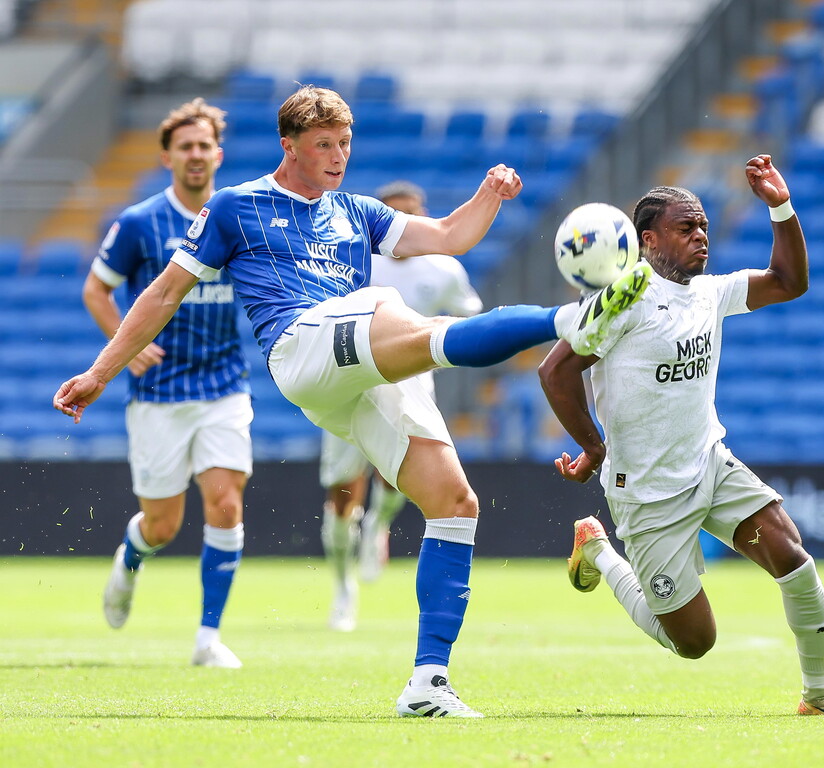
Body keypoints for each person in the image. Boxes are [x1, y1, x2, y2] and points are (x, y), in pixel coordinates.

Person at [54, 84, 652, 718]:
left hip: (355, 371)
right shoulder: (236, 207)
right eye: (323, 145)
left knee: (454, 502)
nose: (338, 156)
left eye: (344, 143)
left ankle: (427, 683)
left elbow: (449, 234)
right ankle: (571, 319)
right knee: (397, 313)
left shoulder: (356, 211)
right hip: (300, 346)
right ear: (289, 146)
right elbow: (163, 293)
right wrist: (101, 371)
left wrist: (490, 196)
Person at [538, 155, 824, 717]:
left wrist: (780, 207)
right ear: (647, 240)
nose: (701, 238)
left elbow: (790, 282)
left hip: (709, 464)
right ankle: (598, 547)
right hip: (647, 492)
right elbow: (555, 372)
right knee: (694, 643)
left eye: (704, 229)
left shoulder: (709, 292)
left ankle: (820, 696)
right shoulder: (622, 302)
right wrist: (594, 447)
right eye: (686, 228)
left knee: (793, 558)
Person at [81, 98, 251, 668]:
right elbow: (96, 290)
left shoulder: (239, 216)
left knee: (225, 502)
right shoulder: (138, 222)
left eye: (205, 145)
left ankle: (208, 638)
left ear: (218, 154)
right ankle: (131, 557)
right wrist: (123, 349)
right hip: (159, 394)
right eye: (186, 146)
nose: (196, 154)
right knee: (163, 524)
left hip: (225, 384)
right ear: (167, 157)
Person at [320, 180, 484, 633]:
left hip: (410, 384)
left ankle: (378, 525)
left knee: (399, 479)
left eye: (410, 215)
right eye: (392, 217)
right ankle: (342, 586)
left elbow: (468, 315)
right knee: (341, 492)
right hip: (349, 381)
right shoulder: (351, 260)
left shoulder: (442, 269)